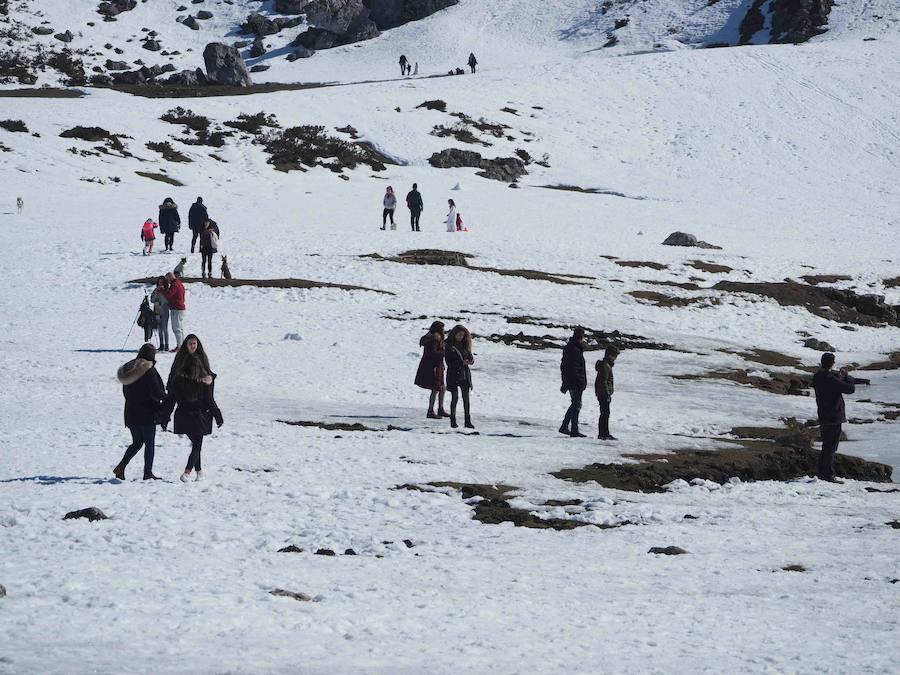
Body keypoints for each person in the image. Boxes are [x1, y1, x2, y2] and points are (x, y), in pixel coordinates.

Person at [161, 334, 223, 482]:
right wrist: (216, 413)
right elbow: (208, 397)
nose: (192, 346)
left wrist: (165, 416)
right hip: (197, 412)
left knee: (196, 441)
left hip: (187, 411)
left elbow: (172, 398)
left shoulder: (201, 359)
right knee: (197, 443)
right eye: (190, 344)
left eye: (194, 343)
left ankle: (199, 471)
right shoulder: (181, 363)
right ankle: (188, 472)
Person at [114, 343, 165, 480]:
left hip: (130, 413)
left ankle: (121, 467)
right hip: (147, 413)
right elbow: (157, 391)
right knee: (149, 443)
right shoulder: (149, 370)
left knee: (137, 442)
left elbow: (126, 392)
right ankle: (147, 473)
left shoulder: (129, 369)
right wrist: (168, 398)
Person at [812, 352, 856, 483]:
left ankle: (822, 472)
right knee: (831, 446)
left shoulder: (818, 377)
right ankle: (827, 474)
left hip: (823, 415)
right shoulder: (830, 379)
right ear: (832, 363)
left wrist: (840, 377)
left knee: (827, 445)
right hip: (834, 416)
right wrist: (847, 377)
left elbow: (833, 383)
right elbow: (849, 389)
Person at [415, 321, 448, 419]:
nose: (444, 330)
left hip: (435, 365)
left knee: (441, 387)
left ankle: (440, 409)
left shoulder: (432, 337)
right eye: (442, 328)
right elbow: (433, 353)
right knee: (436, 388)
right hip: (433, 366)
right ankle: (431, 411)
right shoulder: (435, 338)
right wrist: (444, 352)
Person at [445, 325, 475, 429]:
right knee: (455, 397)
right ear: (454, 334)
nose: (461, 337)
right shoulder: (449, 346)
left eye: (463, 335)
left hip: (464, 374)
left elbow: (470, 356)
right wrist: (461, 362)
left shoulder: (465, 345)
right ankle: (453, 420)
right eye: (459, 335)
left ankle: (467, 421)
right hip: (454, 374)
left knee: (466, 399)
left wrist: (470, 360)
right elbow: (449, 362)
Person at [559, 328, 587, 437]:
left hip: (571, 381)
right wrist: (579, 381)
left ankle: (566, 426)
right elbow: (574, 368)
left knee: (575, 404)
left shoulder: (572, 348)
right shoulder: (574, 350)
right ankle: (572, 429)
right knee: (576, 404)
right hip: (575, 382)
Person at [595, 346, 619, 440]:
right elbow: (603, 381)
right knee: (604, 413)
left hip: (604, 393)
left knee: (605, 413)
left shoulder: (607, 365)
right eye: (615, 356)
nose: (615, 358)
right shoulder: (605, 366)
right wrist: (607, 393)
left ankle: (605, 433)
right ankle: (603, 434)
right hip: (603, 393)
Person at [163, 271, 186, 351]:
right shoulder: (179, 283)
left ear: (170, 277)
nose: (167, 281)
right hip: (179, 308)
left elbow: (169, 294)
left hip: (176, 309)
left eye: (167, 279)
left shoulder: (175, 284)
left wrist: (162, 291)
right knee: (179, 328)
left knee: (176, 328)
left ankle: (180, 347)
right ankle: (181, 345)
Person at [151, 276, 170, 352]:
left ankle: (167, 345)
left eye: (162, 282)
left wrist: (162, 293)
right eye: (159, 282)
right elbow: (152, 300)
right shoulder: (155, 290)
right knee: (159, 329)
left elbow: (168, 300)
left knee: (165, 328)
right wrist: (156, 294)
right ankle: (161, 345)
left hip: (165, 310)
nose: (160, 284)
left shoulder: (166, 290)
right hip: (157, 310)